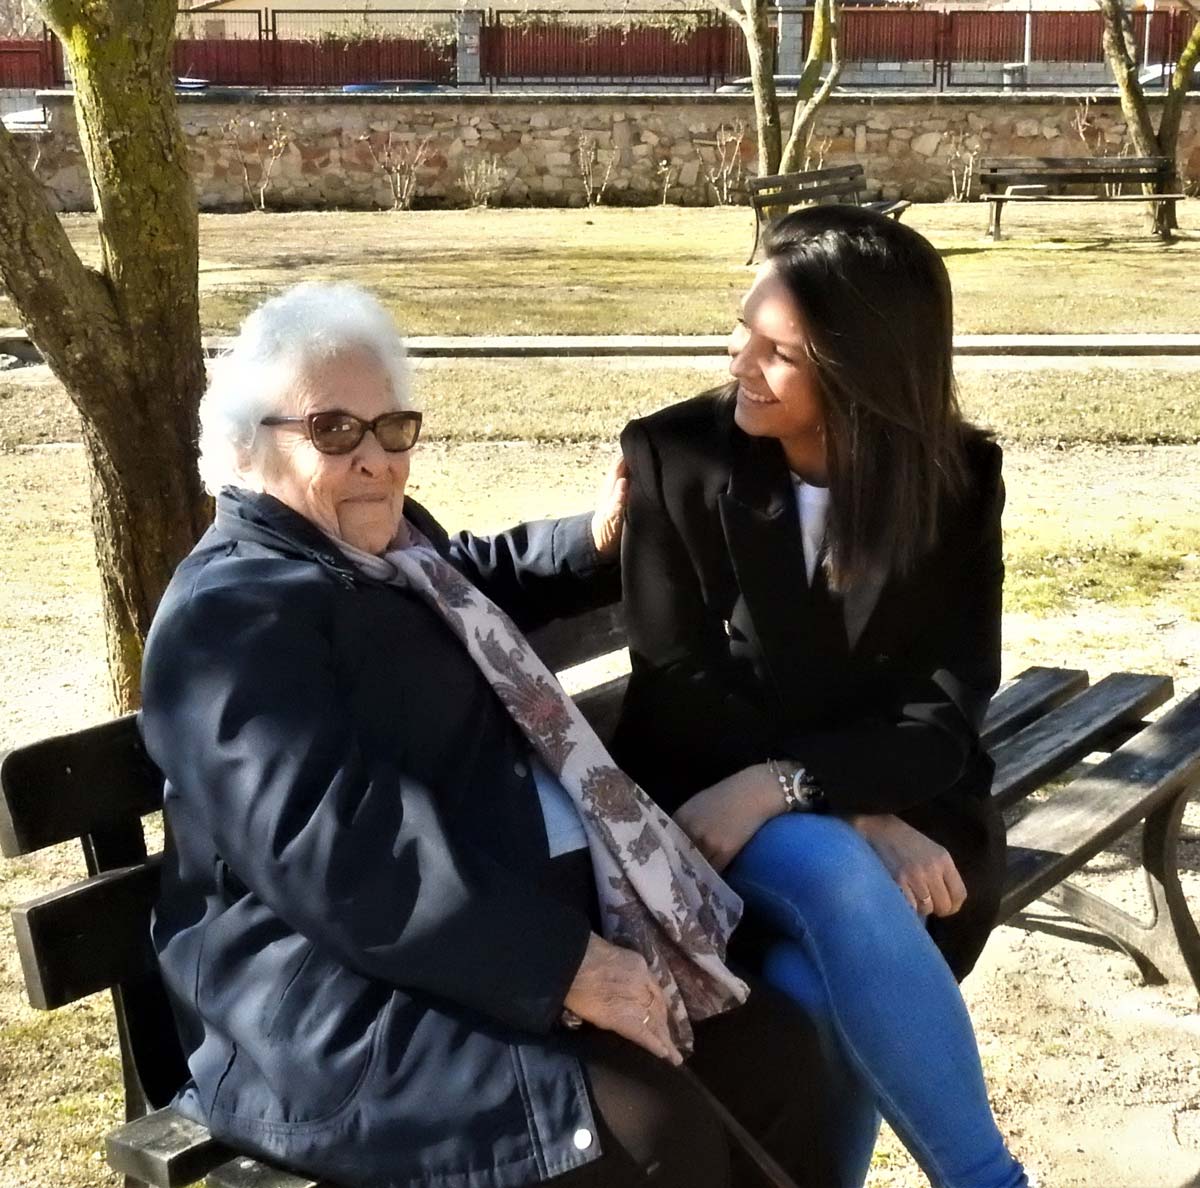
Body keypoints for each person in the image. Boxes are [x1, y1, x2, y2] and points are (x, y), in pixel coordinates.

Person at [140, 281, 847, 1188]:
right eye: (333, 430)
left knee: (779, 1056)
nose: (375, 459)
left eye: (391, 428)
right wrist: (566, 966)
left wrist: (591, 541)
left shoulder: (389, 552)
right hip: (327, 996)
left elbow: (472, 577)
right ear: (247, 445)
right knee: (651, 1128)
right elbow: (343, 851)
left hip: (478, 936)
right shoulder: (230, 615)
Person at [611, 206, 1030, 1188]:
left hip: (912, 815)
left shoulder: (956, 477)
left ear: (861, 368)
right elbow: (677, 685)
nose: (740, 359)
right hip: (709, 812)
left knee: (809, 990)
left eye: (779, 350)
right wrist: (822, 800)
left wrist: (809, 787)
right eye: (741, 328)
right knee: (841, 874)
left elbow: (949, 704)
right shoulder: (679, 458)